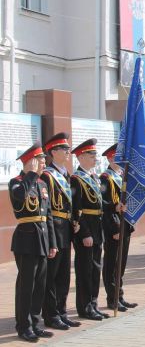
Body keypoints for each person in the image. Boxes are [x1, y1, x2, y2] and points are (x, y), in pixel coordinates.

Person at [9, 142, 57, 342]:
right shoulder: (17, 182)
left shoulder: (42, 184)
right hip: (26, 239)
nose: (44, 162)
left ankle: (35, 323)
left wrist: (52, 242)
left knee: (40, 285)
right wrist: (31, 174)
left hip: (43, 238)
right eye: (40, 159)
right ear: (30, 161)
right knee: (26, 285)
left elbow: (48, 216)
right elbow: (20, 198)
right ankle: (24, 326)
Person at [41, 132, 81, 330]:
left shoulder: (65, 174)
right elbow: (47, 208)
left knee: (64, 275)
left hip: (66, 228)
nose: (68, 152)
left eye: (67, 149)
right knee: (52, 275)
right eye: (64, 149)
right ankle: (51, 315)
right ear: (53, 152)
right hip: (54, 229)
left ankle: (62, 312)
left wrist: (74, 221)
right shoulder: (47, 175)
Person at [70, 139, 107, 320]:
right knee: (85, 270)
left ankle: (93, 303)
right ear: (81, 156)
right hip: (87, 230)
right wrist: (84, 233)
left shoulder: (93, 177)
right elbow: (77, 208)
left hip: (97, 227)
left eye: (95, 155)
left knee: (95, 269)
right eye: (92, 155)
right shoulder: (76, 179)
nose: (95, 158)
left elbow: (100, 202)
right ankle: (84, 308)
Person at [100, 144, 138, 313]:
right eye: (118, 158)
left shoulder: (121, 176)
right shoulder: (106, 178)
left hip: (125, 226)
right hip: (114, 228)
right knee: (112, 264)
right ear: (110, 159)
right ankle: (112, 298)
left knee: (121, 264)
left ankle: (119, 296)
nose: (122, 162)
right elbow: (104, 205)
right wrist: (114, 228)